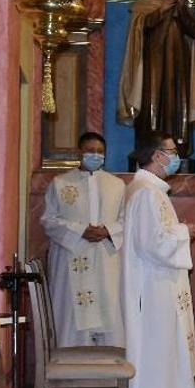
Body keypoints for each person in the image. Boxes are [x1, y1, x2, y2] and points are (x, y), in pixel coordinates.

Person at [120, 131, 195, 388]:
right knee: (153, 354)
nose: (175, 156)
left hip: (158, 286)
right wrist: (184, 232)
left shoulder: (150, 190)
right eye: (171, 150)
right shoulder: (144, 192)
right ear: (156, 155)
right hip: (151, 290)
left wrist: (179, 232)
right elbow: (151, 244)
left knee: (163, 354)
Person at [39, 132, 125, 347]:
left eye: (100, 152)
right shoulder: (60, 183)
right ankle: (70, 359)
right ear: (79, 152)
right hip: (72, 255)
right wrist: (80, 231)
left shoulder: (117, 185)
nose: (95, 155)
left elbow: (126, 219)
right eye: (90, 151)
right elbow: (49, 220)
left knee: (108, 303)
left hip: (106, 258)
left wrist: (107, 230)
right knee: (71, 308)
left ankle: (108, 364)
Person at [117, 0, 195, 154]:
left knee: (178, 104)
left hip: (179, 65)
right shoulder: (146, 0)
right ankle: (149, 149)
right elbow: (141, 27)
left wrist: (182, 8)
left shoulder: (180, 2)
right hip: (152, 63)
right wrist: (162, 9)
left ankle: (179, 148)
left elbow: (193, 32)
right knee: (150, 103)